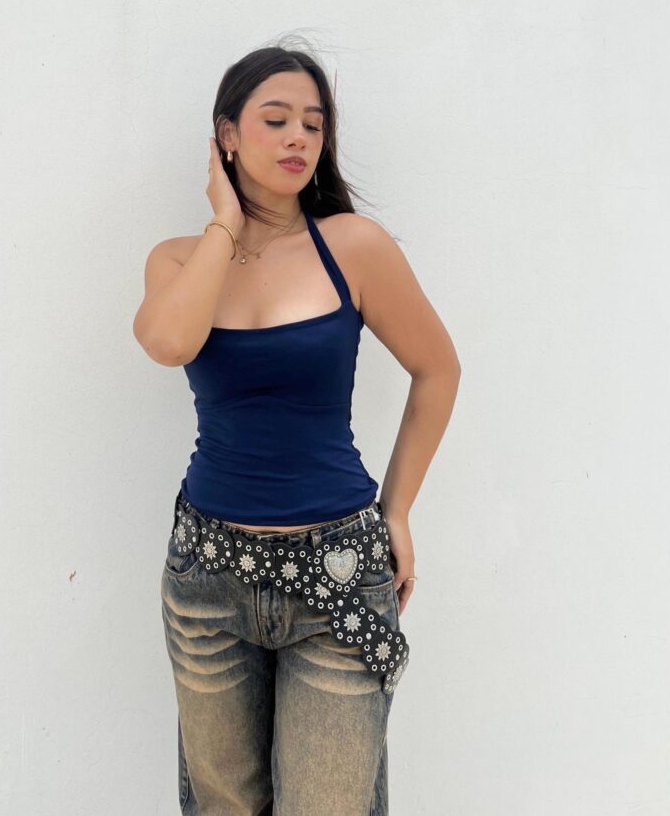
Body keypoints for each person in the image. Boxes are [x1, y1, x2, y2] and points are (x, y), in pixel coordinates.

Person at [133, 45, 461, 815]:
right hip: (207, 578)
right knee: (224, 805)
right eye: (276, 120)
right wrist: (225, 223)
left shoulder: (354, 246)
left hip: (339, 575)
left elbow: (438, 369)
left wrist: (398, 509)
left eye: (313, 124)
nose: (298, 138)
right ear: (227, 136)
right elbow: (168, 342)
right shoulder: (178, 260)